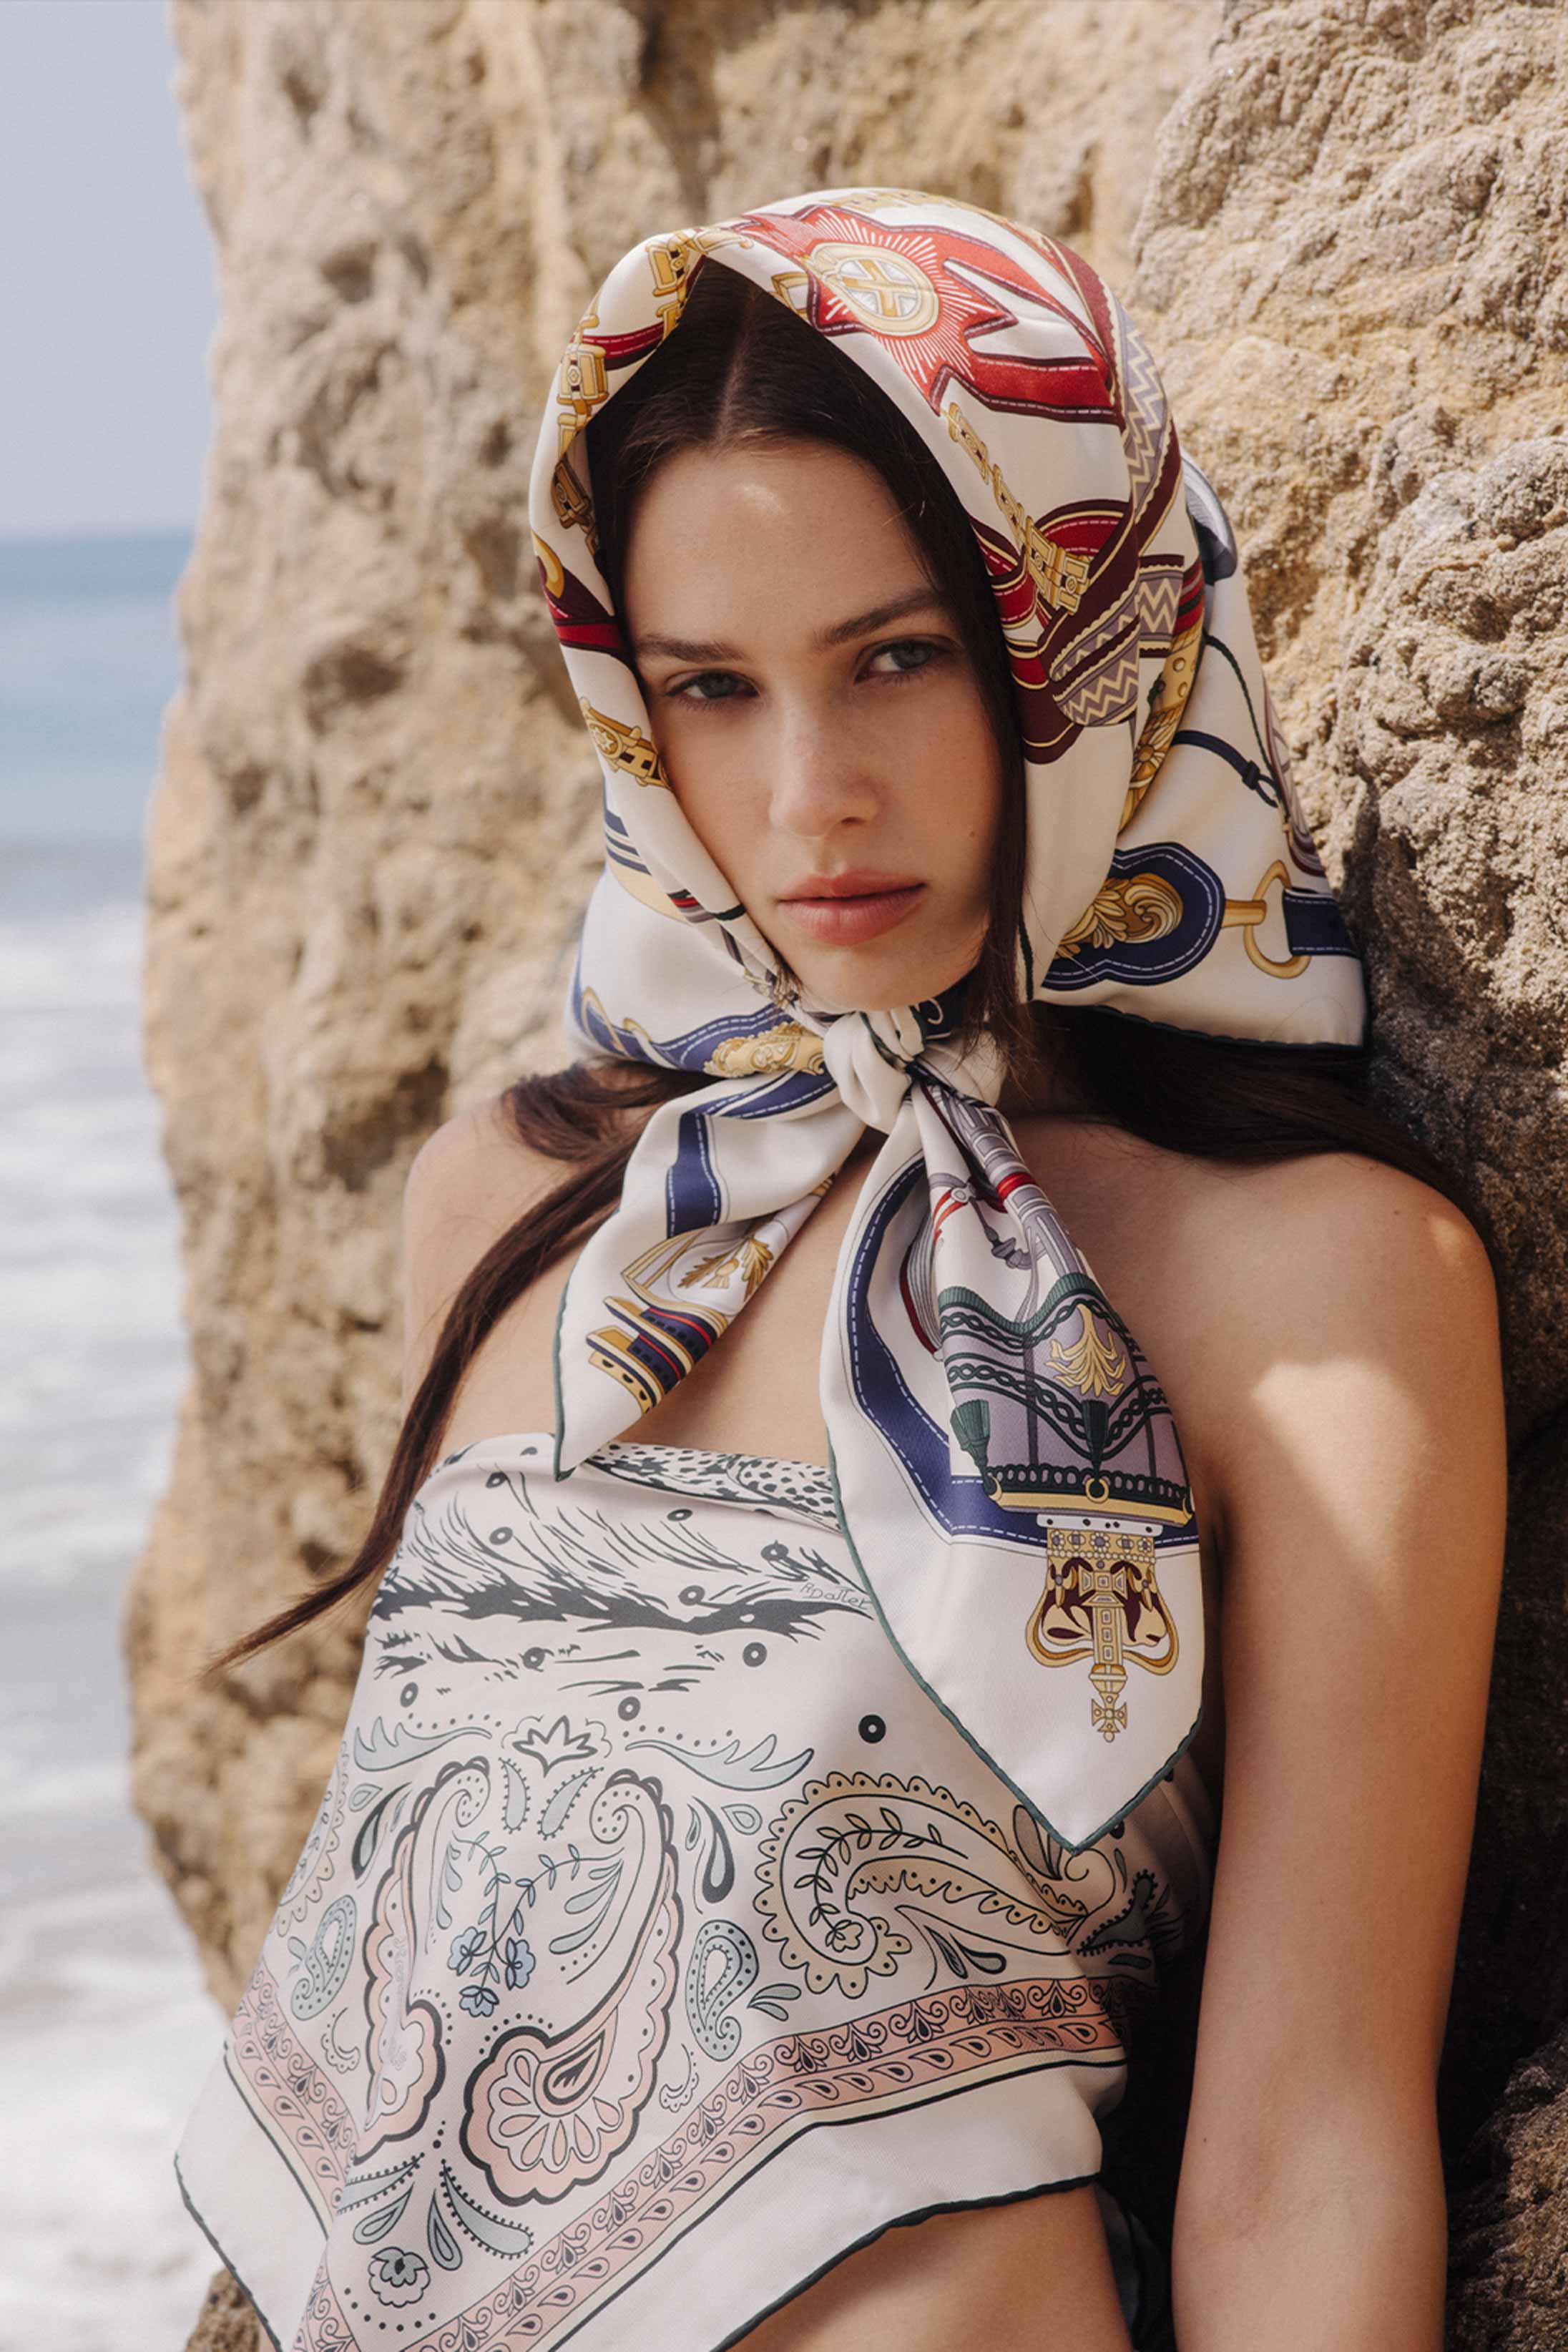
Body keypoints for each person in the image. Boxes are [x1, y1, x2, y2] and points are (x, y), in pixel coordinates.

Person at [175, 191, 1506, 2352]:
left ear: (1079, 647)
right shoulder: (519, 1216)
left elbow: (1306, 2153)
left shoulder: (1316, 1292)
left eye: (898, 657)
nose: (810, 800)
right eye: (713, 688)